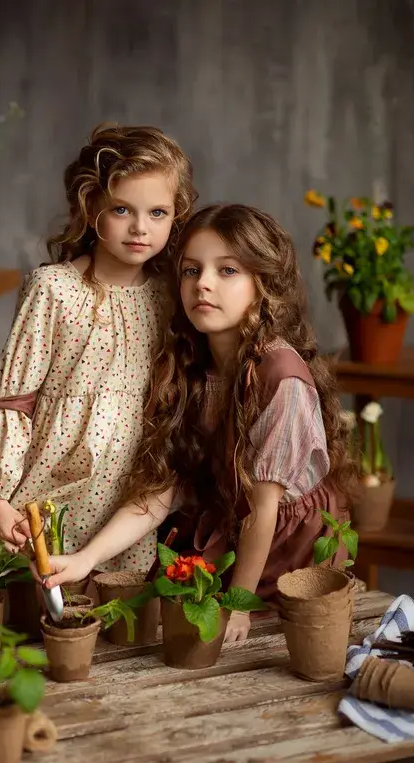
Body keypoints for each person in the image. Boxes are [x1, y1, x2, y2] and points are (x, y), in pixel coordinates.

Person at [39, 203, 357, 640]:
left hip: (285, 544)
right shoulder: (193, 365)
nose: (203, 284)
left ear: (262, 284)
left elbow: (263, 513)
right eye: (191, 271)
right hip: (232, 525)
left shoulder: (279, 377)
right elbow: (158, 494)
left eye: (227, 271)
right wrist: (86, 558)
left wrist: (237, 606)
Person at [0, 123, 196, 573]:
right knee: (48, 622)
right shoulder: (54, 288)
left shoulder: (172, 296)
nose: (139, 228)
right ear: (90, 207)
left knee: (121, 627)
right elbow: (11, 400)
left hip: (131, 495)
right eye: (121, 209)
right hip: (50, 489)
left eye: (157, 213)